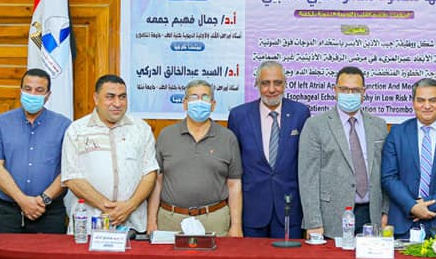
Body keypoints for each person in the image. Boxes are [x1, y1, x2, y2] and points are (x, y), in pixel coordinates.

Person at [299, 66, 389, 239]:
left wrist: (385, 211)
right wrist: (313, 222)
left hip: (371, 214)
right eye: (344, 89)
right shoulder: (315, 125)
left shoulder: (378, 125)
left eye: (355, 90)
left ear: (363, 92)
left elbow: (385, 171)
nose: (349, 94)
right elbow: (308, 178)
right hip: (330, 218)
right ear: (335, 90)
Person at [61, 75, 158, 233]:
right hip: (88, 225)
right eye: (110, 97)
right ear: (96, 98)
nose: (117, 103)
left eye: (122, 97)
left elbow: (149, 173)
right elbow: (72, 177)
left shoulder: (141, 129)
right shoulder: (77, 130)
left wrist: (129, 207)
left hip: (132, 224)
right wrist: (109, 209)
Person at [227, 61, 311, 238]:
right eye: (265, 83)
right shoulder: (239, 116)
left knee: (289, 256)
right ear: (257, 84)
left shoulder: (301, 113)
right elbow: (233, 167)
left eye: (277, 83)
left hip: (289, 209)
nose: (272, 89)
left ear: (285, 84)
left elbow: (306, 163)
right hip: (251, 210)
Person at [148, 79, 243, 236]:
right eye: (194, 97)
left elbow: (234, 185)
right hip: (170, 220)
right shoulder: (166, 135)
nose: (199, 102)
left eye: (205, 97)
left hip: (215, 219)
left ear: (213, 105)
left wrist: (236, 225)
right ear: (185, 104)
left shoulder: (228, 138)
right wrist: (151, 220)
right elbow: (157, 181)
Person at [381, 78, 436, 238]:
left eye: (432, 100)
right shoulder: (397, 133)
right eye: (421, 100)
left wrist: (429, 205)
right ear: (413, 103)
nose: (427, 106)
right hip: (404, 221)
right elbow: (389, 177)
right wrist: (412, 206)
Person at [0, 68, 71, 234]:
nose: (32, 94)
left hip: (50, 213)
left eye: (39, 90)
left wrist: (43, 200)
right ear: (21, 91)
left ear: (48, 95)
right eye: (28, 89)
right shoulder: (1, 123)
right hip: (9, 213)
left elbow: (68, 171)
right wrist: (22, 201)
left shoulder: (64, 125)